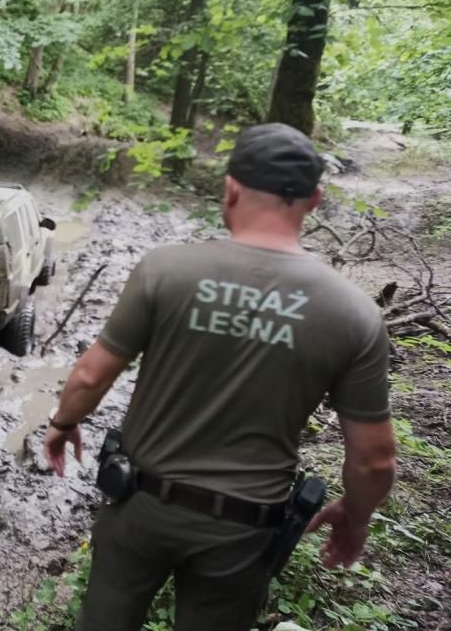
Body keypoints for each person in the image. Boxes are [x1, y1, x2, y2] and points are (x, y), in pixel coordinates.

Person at [43, 123, 397, 631]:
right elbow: (375, 458)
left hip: (141, 506)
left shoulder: (167, 270)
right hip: (244, 529)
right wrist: (355, 515)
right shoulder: (354, 314)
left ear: (230, 189)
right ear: (315, 200)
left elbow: (90, 375)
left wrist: (62, 422)